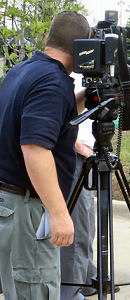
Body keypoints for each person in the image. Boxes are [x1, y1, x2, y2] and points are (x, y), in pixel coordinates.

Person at [0, 11, 90, 299]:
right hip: (28, 211)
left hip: (9, 204)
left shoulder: (23, 70)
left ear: (49, 38)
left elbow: (44, 121)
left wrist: (84, 98)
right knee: (34, 291)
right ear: (80, 48)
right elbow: (35, 148)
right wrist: (60, 213)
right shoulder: (53, 82)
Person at [60, 73, 97, 300]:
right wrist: (78, 147)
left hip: (89, 154)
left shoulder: (92, 74)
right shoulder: (64, 76)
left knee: (87, 221)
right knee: (78, 224)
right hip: (75, 155)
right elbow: (58, 117)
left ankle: (86, 277)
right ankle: (71, 291)